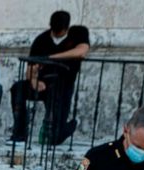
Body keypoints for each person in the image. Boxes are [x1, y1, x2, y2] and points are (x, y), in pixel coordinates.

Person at [9, 11, 89, 144]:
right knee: (18, 89)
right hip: (43, 83)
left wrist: (50, 58)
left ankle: (68, 126)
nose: (57, 34)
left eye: (61, 32)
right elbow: (30, 67)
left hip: (63, 86)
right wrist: (34, 81)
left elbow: (82, 51)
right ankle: (19, 133)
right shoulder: (42, 40)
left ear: (67, 28)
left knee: (55, 138)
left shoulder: (78, 33)